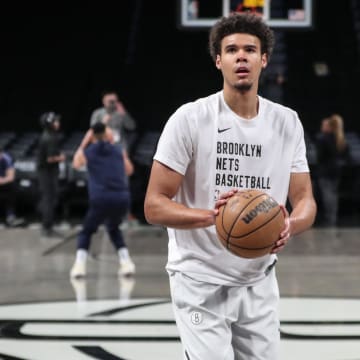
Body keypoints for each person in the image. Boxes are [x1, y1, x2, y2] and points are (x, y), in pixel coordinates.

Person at [144, 12, 317, 360]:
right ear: (218, 60)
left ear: (263, 59)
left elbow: (305, 201)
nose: (242, 56)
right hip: (199, 280)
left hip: (258, 278)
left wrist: (289, 224)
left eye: (250, 50)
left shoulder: (287, 122)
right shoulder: (190, 119)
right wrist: (213, 217)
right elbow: (154, 205)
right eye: (232, 49)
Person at [70, 122, 135, 278]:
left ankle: (79, 266)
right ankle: (126, 263)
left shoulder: (89, 151)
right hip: (122, 198)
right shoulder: (119, 150)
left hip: (101, 198)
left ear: (92, 135)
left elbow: (76, 163)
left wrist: (85, 141)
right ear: (108, 135)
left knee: (86, 231)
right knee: (113, 228)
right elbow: (129, 170)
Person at [315, 114, 348, 227]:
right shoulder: (340, 138)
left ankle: (330, 219)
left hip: (326, 172)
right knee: (333, 195)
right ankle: (332, 218)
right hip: (336, 172)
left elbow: (320, 157)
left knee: (328, 195)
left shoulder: (323, 138)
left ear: (329, 126)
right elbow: (346, 156)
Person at [36, 112, 65, 237]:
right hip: (47, 173)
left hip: (46, 172)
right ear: (50, 124)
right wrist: (61, 158)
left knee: (49, 198)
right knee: (49, 199)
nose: (58, 123)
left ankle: (47, 225)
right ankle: (47, 227)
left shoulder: (49, 135)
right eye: (55, 121)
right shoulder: (50, 138)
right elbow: (49, 159)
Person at [0, 148, 25, 227]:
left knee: (10, 194)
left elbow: (11, 177)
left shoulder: (7, 159)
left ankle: (10, 217)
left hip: (6, 184)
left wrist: (2, 181)